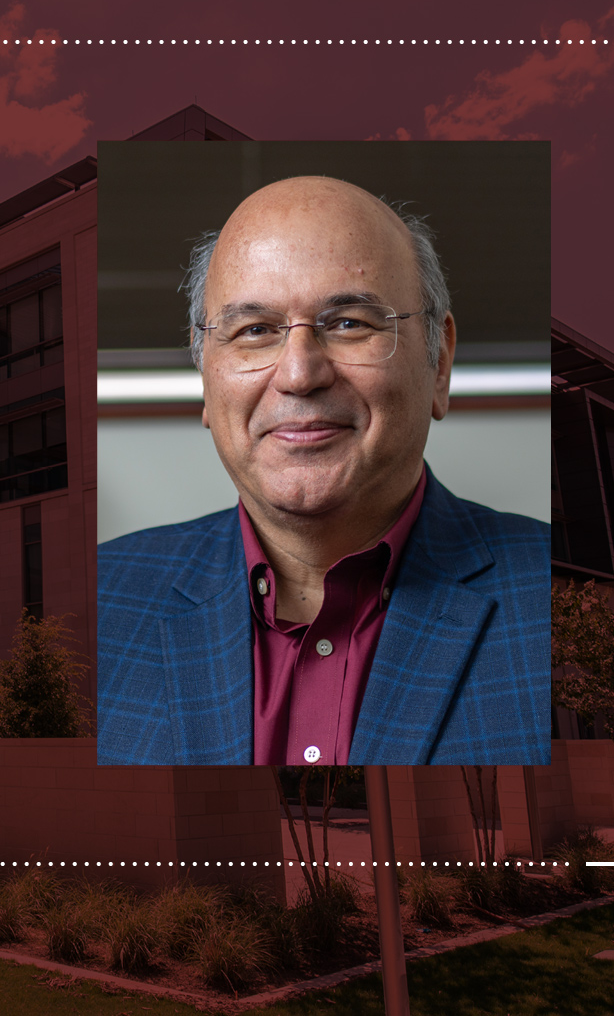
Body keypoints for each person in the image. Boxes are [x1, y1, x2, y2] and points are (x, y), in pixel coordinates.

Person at [97, 177, 549, 766]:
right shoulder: (98, 603)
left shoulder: (557, 604)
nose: (299, 374)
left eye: (349, 323)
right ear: (205, 378)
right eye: (254, 331)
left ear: (439, 363)